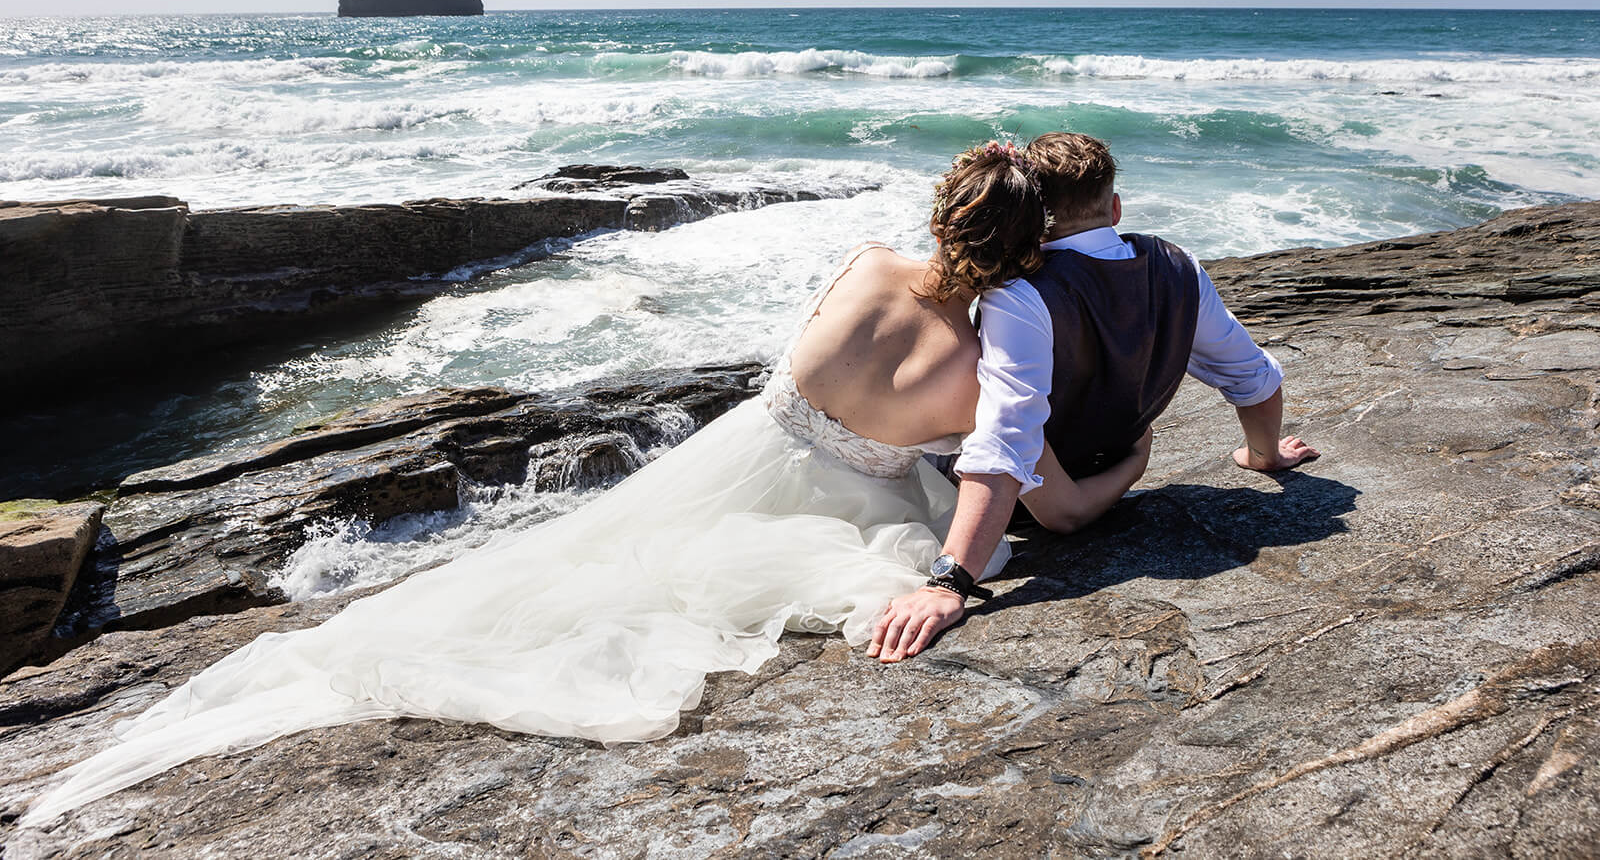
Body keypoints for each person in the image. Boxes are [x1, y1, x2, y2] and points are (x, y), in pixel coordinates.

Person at [21, 144, 1053, 827]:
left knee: (599, 563)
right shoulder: (975, 368)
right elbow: (1000, 470)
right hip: (841, 504)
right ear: (1028, 247)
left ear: (940, 212)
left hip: (727, 455)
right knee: (680, 601)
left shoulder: (864, 260)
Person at [869, 131, 1319, 664]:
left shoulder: (1019, 292)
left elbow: (1004, 434)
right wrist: (1264, 457)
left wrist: (949, 585)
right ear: (1116, 207)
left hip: (1014, 506)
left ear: (1030, 220)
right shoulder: (1176, 265)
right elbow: (1252, 375)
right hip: (1101, 469)